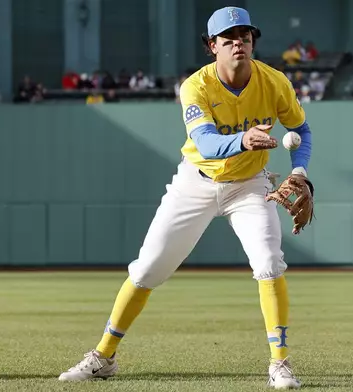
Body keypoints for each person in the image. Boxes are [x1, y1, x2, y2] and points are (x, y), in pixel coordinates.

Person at [58, 6, 314, 390]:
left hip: (249, 185)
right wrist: (243, 139)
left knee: (268, 261)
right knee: (146, 270)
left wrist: (299, 173)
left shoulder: (274, 82)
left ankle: (280, 364)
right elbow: (206, 143)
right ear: (212, 46)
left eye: (244, 37)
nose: (238, 44)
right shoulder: (196, 86)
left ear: (252, 41)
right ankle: (104, 355)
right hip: (195, 182)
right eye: (228, 39)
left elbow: (301, 130)